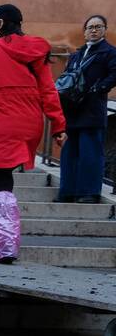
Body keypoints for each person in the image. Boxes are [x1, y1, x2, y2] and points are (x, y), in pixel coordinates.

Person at [0, 4, 66, 264]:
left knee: (0, 179)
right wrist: (58, 125)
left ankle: (7, 243)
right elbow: (48, 90)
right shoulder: (36, 50)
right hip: (29, 120)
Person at [58, 15, 116, 203]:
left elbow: (114, 74)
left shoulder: (109, 52)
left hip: (92, 110)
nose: (93, 30)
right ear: (84, 32)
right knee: (69, 154)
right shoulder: (77, 54)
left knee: (90, 154)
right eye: (90, 27)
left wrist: (99, 89)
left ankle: (89, 193)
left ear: (104, 30)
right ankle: (68, 192)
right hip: (72, 109)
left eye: (98, 26)